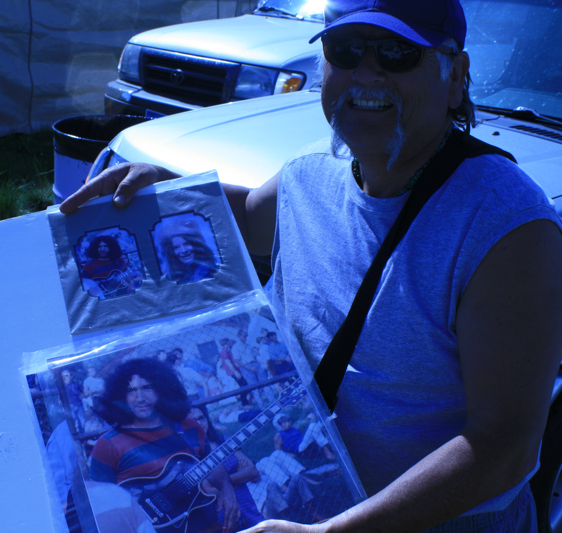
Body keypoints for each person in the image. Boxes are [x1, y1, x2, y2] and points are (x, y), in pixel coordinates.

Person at [60, 0, 562, 530]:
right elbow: (250, 216)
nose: (366, 73)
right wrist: (160, 181)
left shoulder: (507, 227)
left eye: (396, 54)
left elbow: (503, 447)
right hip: (303, 502)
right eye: (344, 51)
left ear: (456, 77)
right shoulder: (309, 173)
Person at [89, 357, 240, 532]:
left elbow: (208, 461)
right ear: (121, 397)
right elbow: (101, 505)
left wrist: (226, 487)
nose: (140, 398)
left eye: (147, 388)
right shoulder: (108, 445)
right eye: (131, 391)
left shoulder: (189, 426)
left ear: (163, 389)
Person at [190, 406, 266, 530]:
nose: (199, 423)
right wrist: (240, 477)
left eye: (201, 418)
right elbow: (207, 491)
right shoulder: (190, 455)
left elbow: (252, 471)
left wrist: (220, 484)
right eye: (193, 421)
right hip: (220, 514)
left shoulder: (223, 441)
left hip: (246, 505)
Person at [157, 217, 219, 284]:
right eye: (176, 247)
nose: (183, 251)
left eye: (187, 244)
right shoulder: (180, 274)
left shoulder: (206, 271)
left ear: (196, 245)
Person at [80, 234, 140, 299]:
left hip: (123, 294)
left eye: (106, 246)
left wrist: (130, 282)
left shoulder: (120, 261)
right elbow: (83, 284)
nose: (102, 249)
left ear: (112, 247)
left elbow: (126, 274)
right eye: (99, 247)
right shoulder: (89, 265)